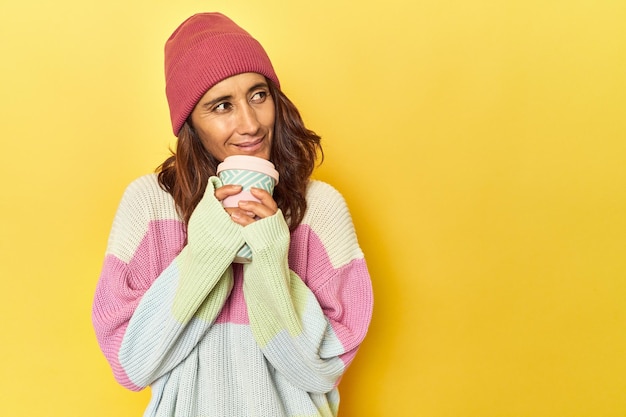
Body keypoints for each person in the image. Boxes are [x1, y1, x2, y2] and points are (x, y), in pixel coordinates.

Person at [92, 12, 373, 417]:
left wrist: (270, 255)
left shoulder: (321, 209)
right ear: (190, 123)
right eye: (222, 105)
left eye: (259, 95)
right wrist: (208, 249)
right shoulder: (150, 205)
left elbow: (321, 371)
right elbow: (129, 364)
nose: (250, 123)